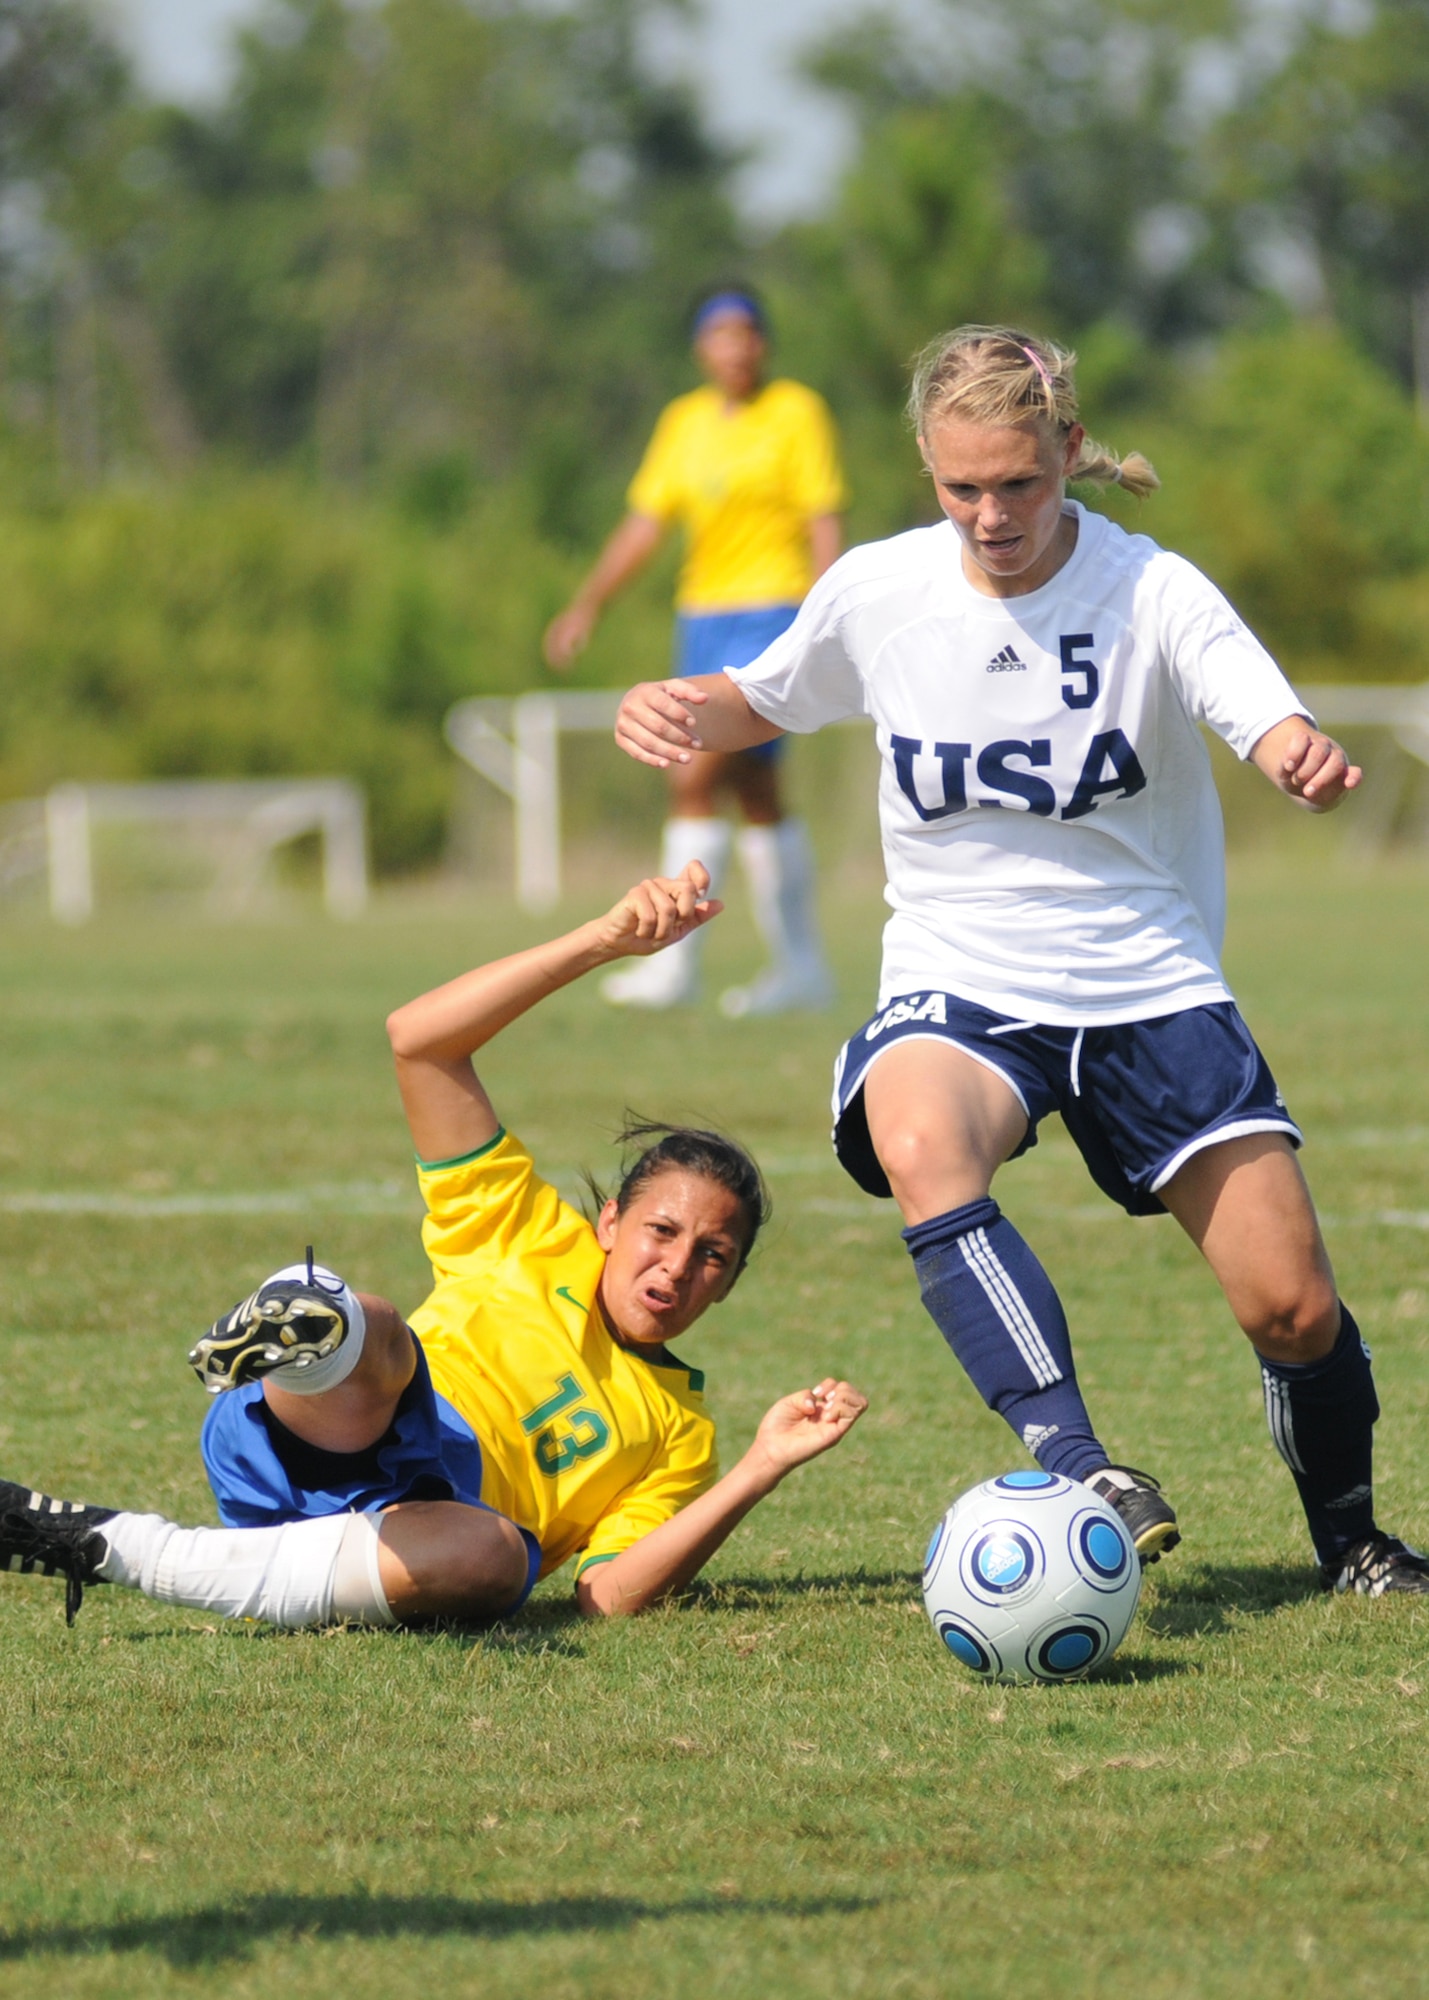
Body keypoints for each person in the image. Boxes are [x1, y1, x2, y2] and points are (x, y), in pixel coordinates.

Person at [610, 322, 1429, 1598]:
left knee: (1293, 1310)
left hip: (1148, 978)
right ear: (927, 471)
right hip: (959, 973)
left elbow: (1256, 705)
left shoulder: (1151, 588)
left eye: (1019, 484)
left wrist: (1293, 751)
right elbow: (761, 695)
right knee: (921, 1139)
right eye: (961, 488)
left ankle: (1353, 1543)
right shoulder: (882, 590)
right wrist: (670, 704)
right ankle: (1078, 1460)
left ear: (1070, 453)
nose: (991, 515)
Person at [0, 865, 866, 1627]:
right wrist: (601, 942)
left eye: (712, 1257)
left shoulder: (679, 1434)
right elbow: (421, 1042)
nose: (676, 1267)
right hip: (339, 1426)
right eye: (661, 1231)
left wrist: (760, 1466)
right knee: (384, 1344)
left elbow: (608, 1596)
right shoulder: (528, 1232)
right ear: (609, 1225)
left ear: (728, 1284)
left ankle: (112, 1545)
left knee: (497, 1560)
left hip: (409, 1540)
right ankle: (306, 1328)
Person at [543, 286, 847, 1017]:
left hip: (774, 612)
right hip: (702, 618)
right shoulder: (683, 422)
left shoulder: (795, 412)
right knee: (756, 793)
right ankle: (801, 967)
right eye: (719, 333)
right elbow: (646, 523)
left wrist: (828, 614)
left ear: (763, 344)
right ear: (699, 348)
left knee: (689, 776)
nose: (734, 346)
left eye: (746, 332)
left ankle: (672, 962)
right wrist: (589, 602)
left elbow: (822, 518)